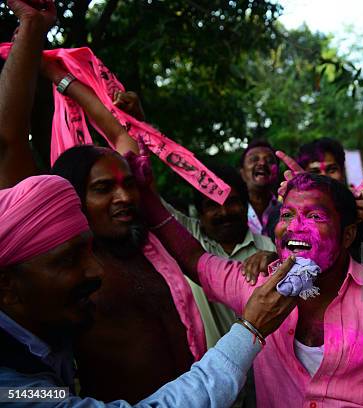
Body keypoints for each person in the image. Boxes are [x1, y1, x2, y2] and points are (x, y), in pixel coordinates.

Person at [0, 7, 209, 402]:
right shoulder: (63, 278)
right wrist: (33, 31)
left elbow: (122, 136)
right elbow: (9, 140)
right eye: (102, 189)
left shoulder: (158, 247)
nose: (126, 197)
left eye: (129, 184)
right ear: (72, 203)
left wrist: (64, 80)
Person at [140, 167, 363, 407]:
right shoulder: (258, 284)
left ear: (347, 236)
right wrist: (145, 194)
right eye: (287, 214)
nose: (295, 228)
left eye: (315, 217)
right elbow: (194, 258)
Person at [0, 174, 298, 408]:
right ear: (5, 286)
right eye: (67, 260)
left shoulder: (43, 327)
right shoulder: (9, 389)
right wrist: (249, 331)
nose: (96, 271)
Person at [166, 164, 276, 346]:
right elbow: (149, 203)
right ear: (200, 213)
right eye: (212, 205)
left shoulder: (270, 248)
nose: (224, 212)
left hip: (267, 372)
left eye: (231, 202)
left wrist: (275, 263)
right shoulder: (188, 239)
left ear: (245, 205)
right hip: (210, 372)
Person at [239, 139, 280, 236]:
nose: (262, 163)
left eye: (270, 161)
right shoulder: (230, 212)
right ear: (242, 173)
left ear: (277, 172)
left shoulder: (288, 211)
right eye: (254, 159)